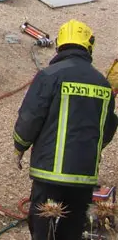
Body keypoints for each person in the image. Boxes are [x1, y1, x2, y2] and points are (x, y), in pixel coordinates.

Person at [13, 20, 117, 239]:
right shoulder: (103, 85)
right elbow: (107, 129)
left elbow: (30, 116)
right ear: (89, 46)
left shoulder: (49, 76)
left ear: (60, 44)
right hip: (84, 176)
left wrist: (20, 145)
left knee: (43, 226)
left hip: (49, 174)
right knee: (72, 229)